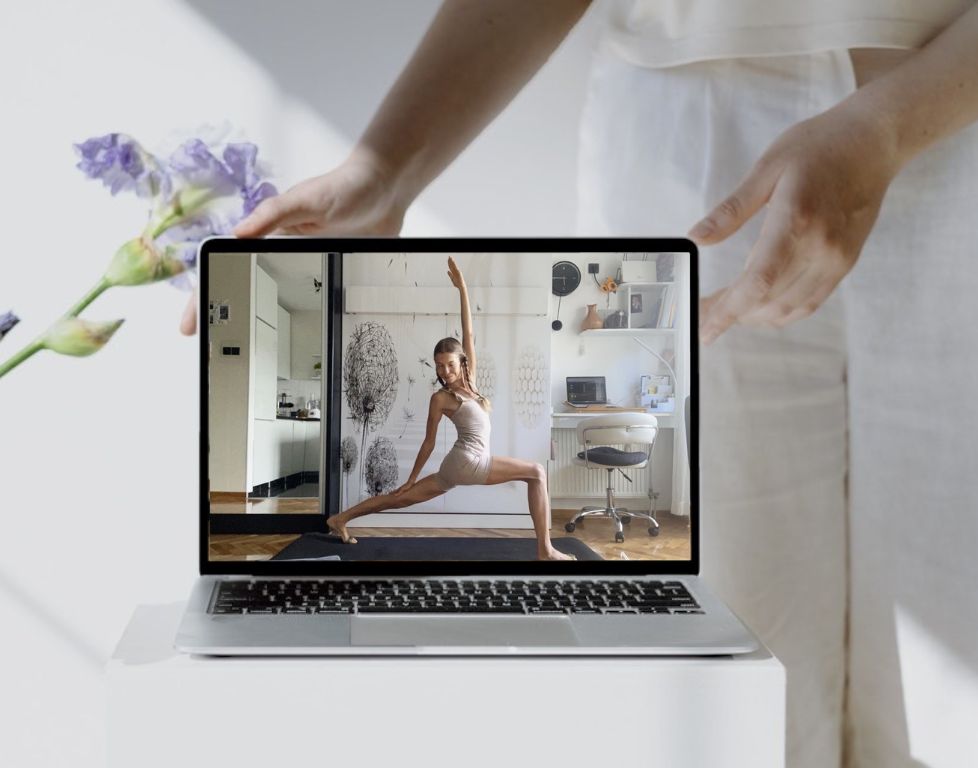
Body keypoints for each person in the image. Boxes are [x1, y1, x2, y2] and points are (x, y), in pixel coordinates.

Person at [182, 2, 978, 766]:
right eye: (451, 361)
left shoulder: (471, 376)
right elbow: (430, 436)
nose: (458, 364)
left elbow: (469, 324)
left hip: (949, 105)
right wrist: (384, 171)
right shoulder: (441, 395)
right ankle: (357, 518)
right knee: (736, 686)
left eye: (461, 358)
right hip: (684, 127)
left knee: (949, 681)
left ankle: (491, 539)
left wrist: (888, 123)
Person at [327, 256, 574, 562]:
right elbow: (429, 442)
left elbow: (467, 333)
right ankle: (545, 550)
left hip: (455, 468)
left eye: (449, 364)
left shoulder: (472, 383)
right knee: (536, 473)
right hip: (467, 461)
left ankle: (340, 519)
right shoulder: (441, 398)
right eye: (439, 366)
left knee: (398, 501)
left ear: (462, 362)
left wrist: (463, 289)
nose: (444, 371)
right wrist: (412, 476)